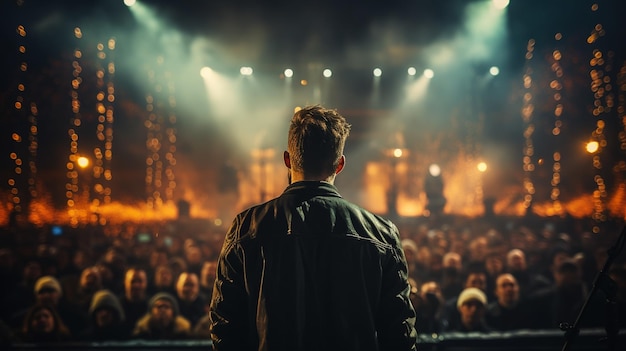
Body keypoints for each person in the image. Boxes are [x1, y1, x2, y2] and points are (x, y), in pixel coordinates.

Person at [209, 105, 417, 351]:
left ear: (287, 160)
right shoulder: (381, 233)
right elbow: (399, 336)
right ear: (339, 164)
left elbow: (225, 328)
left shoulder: (246, 228)